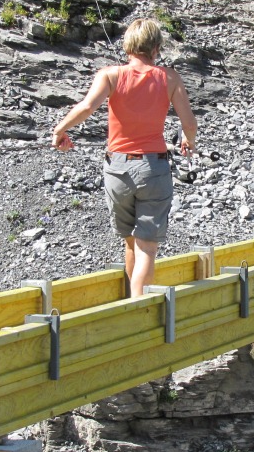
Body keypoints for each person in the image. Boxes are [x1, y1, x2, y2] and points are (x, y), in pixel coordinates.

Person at [52, 18, 197, 297]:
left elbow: (87, 107)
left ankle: (132, 299)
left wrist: (60, 130)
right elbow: (189, 123)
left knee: (131, 241)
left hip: (117, 168)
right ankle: (139, 307)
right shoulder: (170, 78)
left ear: (127, 45)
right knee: (147, 248)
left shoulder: (110, 75)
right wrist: (189, 142)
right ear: (156, 48)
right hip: (153, 168)